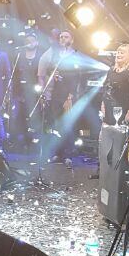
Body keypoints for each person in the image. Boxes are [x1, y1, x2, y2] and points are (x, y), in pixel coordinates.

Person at [37, 30, 79, 162]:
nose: (62, 39)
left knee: (67, 125)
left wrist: (70, 97)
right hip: (56, 94)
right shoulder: (55, 55)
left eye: (66, 36)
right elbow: (47, 70)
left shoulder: (75, 55)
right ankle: (57, 153)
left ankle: (68, 154)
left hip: (68, 94)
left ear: (71, 39)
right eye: (61, 37)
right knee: (56, 125)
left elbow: (77, 78)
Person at [12, 31, 42, 144]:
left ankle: (34, 141)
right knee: (20, 117)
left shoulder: (40, 57)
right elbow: (14, 75)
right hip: (21, 92)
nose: (29, 43)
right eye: (27, 41)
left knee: (35, 116)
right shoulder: (19, 56)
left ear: (37, 43)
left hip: (35, 93)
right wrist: (16, 93)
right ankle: (20, 141)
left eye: (32, 41)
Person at [101, 44, 129, 124]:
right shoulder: (112, 70)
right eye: (118, 52)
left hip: (123, 110)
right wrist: (103, 104)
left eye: (122, 53)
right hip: (108, 109)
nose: (118, 54)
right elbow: (105, 88)